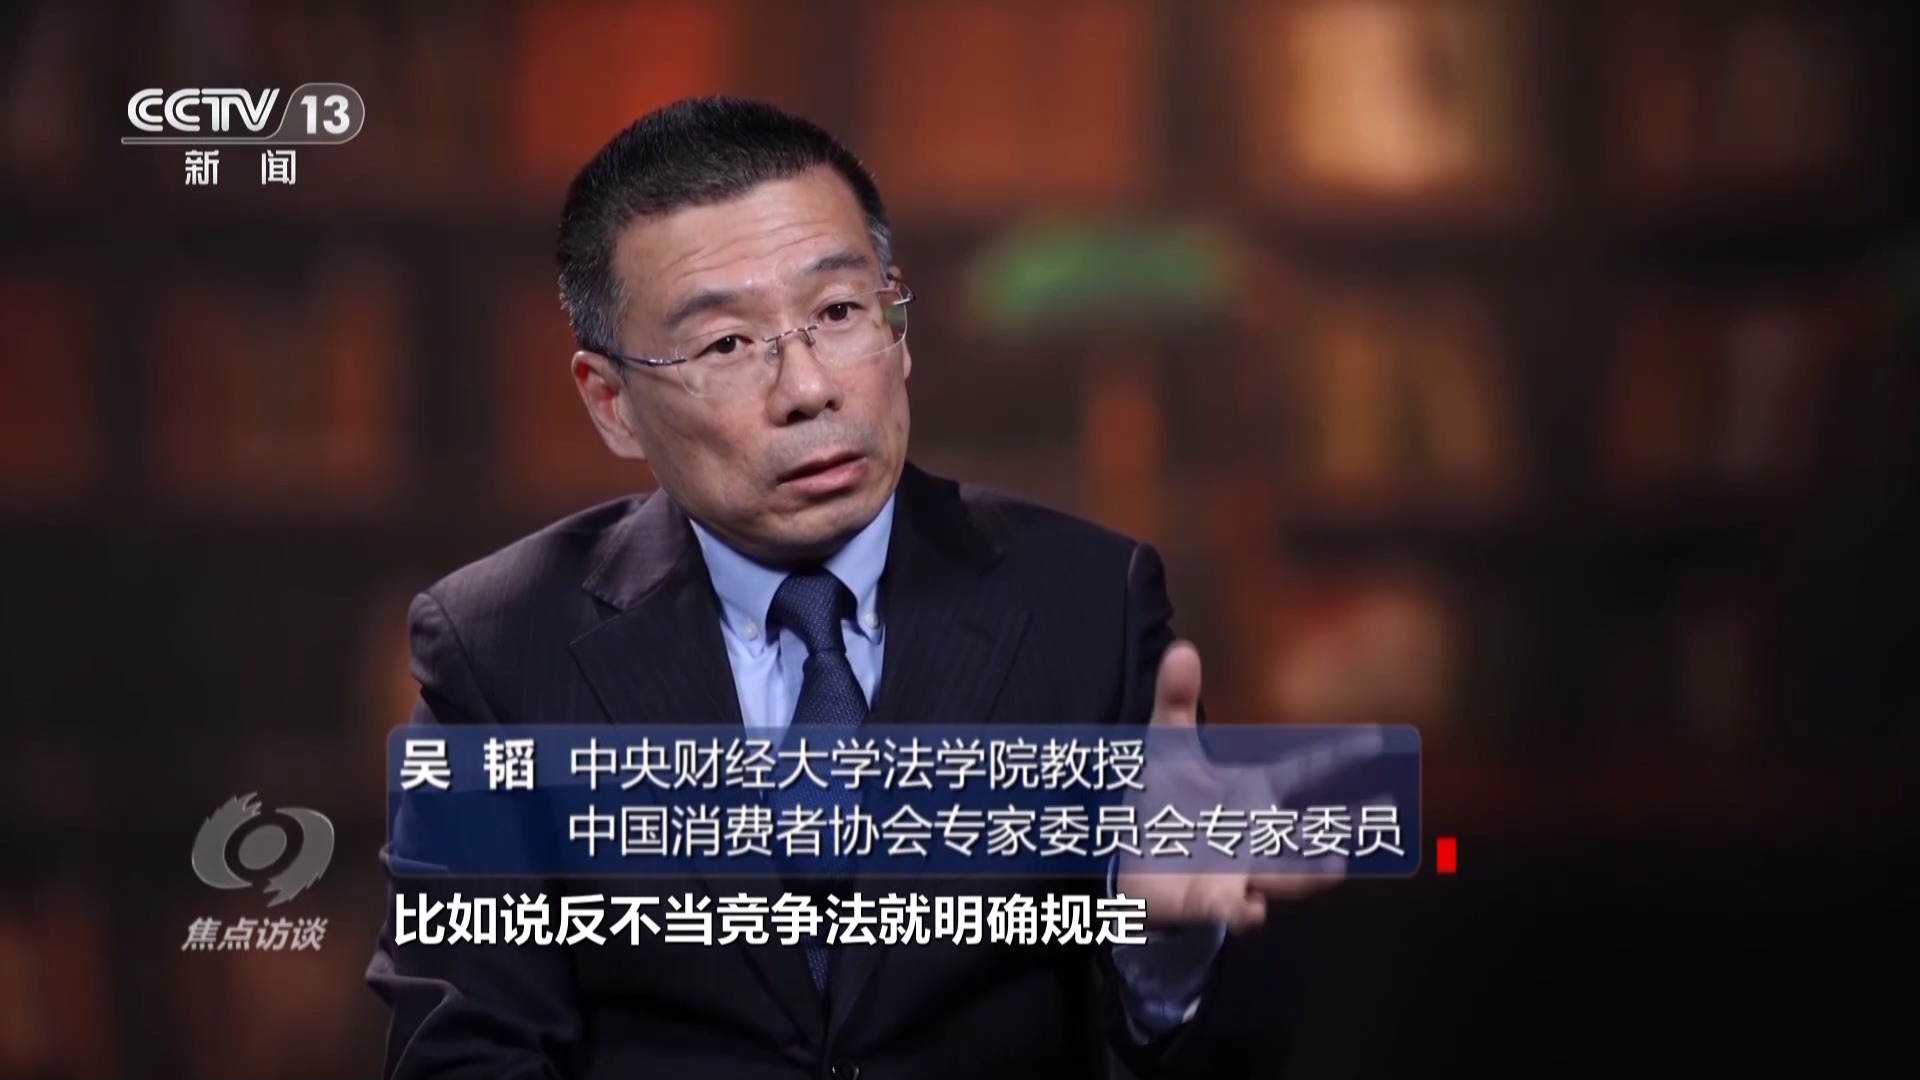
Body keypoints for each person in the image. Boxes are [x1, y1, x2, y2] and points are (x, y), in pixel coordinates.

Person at [367, 96, 1344, 1080]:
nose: (808, 389)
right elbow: (462, 1054)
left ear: (898, 330)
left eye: (838, 313)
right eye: (726, 344)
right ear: (611, 402)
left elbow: (1214, 1055)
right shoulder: (499, 646)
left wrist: (1166, 953)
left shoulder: (1090, 605)